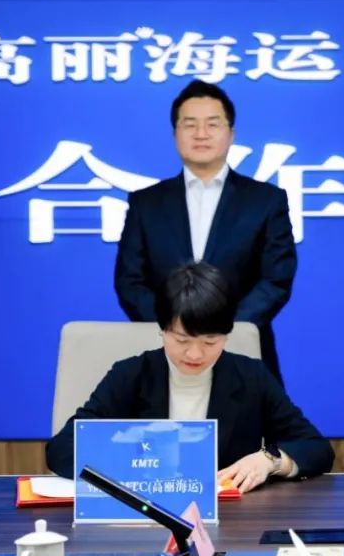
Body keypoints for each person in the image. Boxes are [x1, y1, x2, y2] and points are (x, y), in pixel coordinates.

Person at [48, 261, 333, 491]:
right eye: (182, 340)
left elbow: (316, 448)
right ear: (162, 329)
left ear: (227, 334)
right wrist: (135, 460)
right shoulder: (131, 375)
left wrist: (270, 460)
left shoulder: (250, 377)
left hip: (230, 519)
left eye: (210, 342)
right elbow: (62, 450)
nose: (195, 354)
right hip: (144, 515)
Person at [114, 79, 296, 381]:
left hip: (244, 353)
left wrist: (222, 331)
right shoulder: (146, 203)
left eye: (212, 124)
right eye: (190, 124)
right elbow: (130, 281)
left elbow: (276, 279)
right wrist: (177, 333)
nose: (201, 133)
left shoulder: (266, 201)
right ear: (175, 134)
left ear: (231, 133)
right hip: (164, 354)